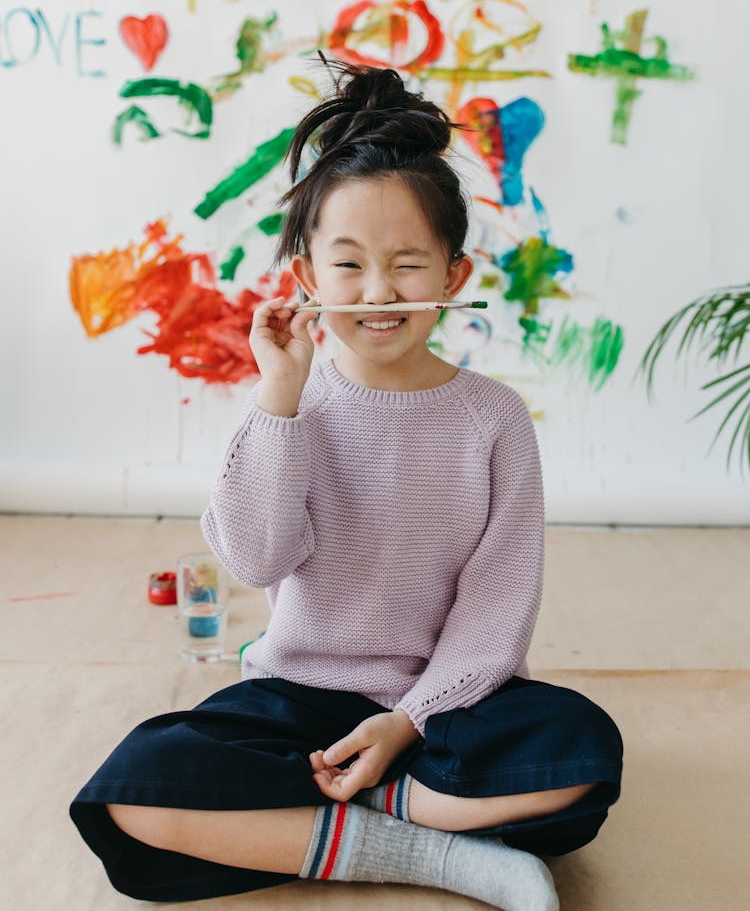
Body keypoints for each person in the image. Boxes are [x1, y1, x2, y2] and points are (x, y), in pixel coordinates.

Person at [69, 56, 623, 908]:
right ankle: (431, 852)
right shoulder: (290, 401)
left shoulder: (494, 418)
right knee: (132, 788)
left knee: (584, 752)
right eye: (349, 265)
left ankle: (361, 808)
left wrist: (408, 721)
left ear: (453, 279)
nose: (378, 292)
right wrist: (279, 398)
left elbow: (497, 602)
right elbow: (255, 556)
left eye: (408, 264)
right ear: (305, 281)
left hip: (446, 711)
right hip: (296, 698)